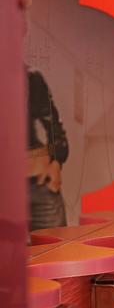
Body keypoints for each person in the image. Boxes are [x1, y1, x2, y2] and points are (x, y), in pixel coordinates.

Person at [26, 66, 69, 231]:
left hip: (41, 185)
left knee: (55, 250)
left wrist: (56, 163)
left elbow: (55, 128)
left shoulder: (30, 78)